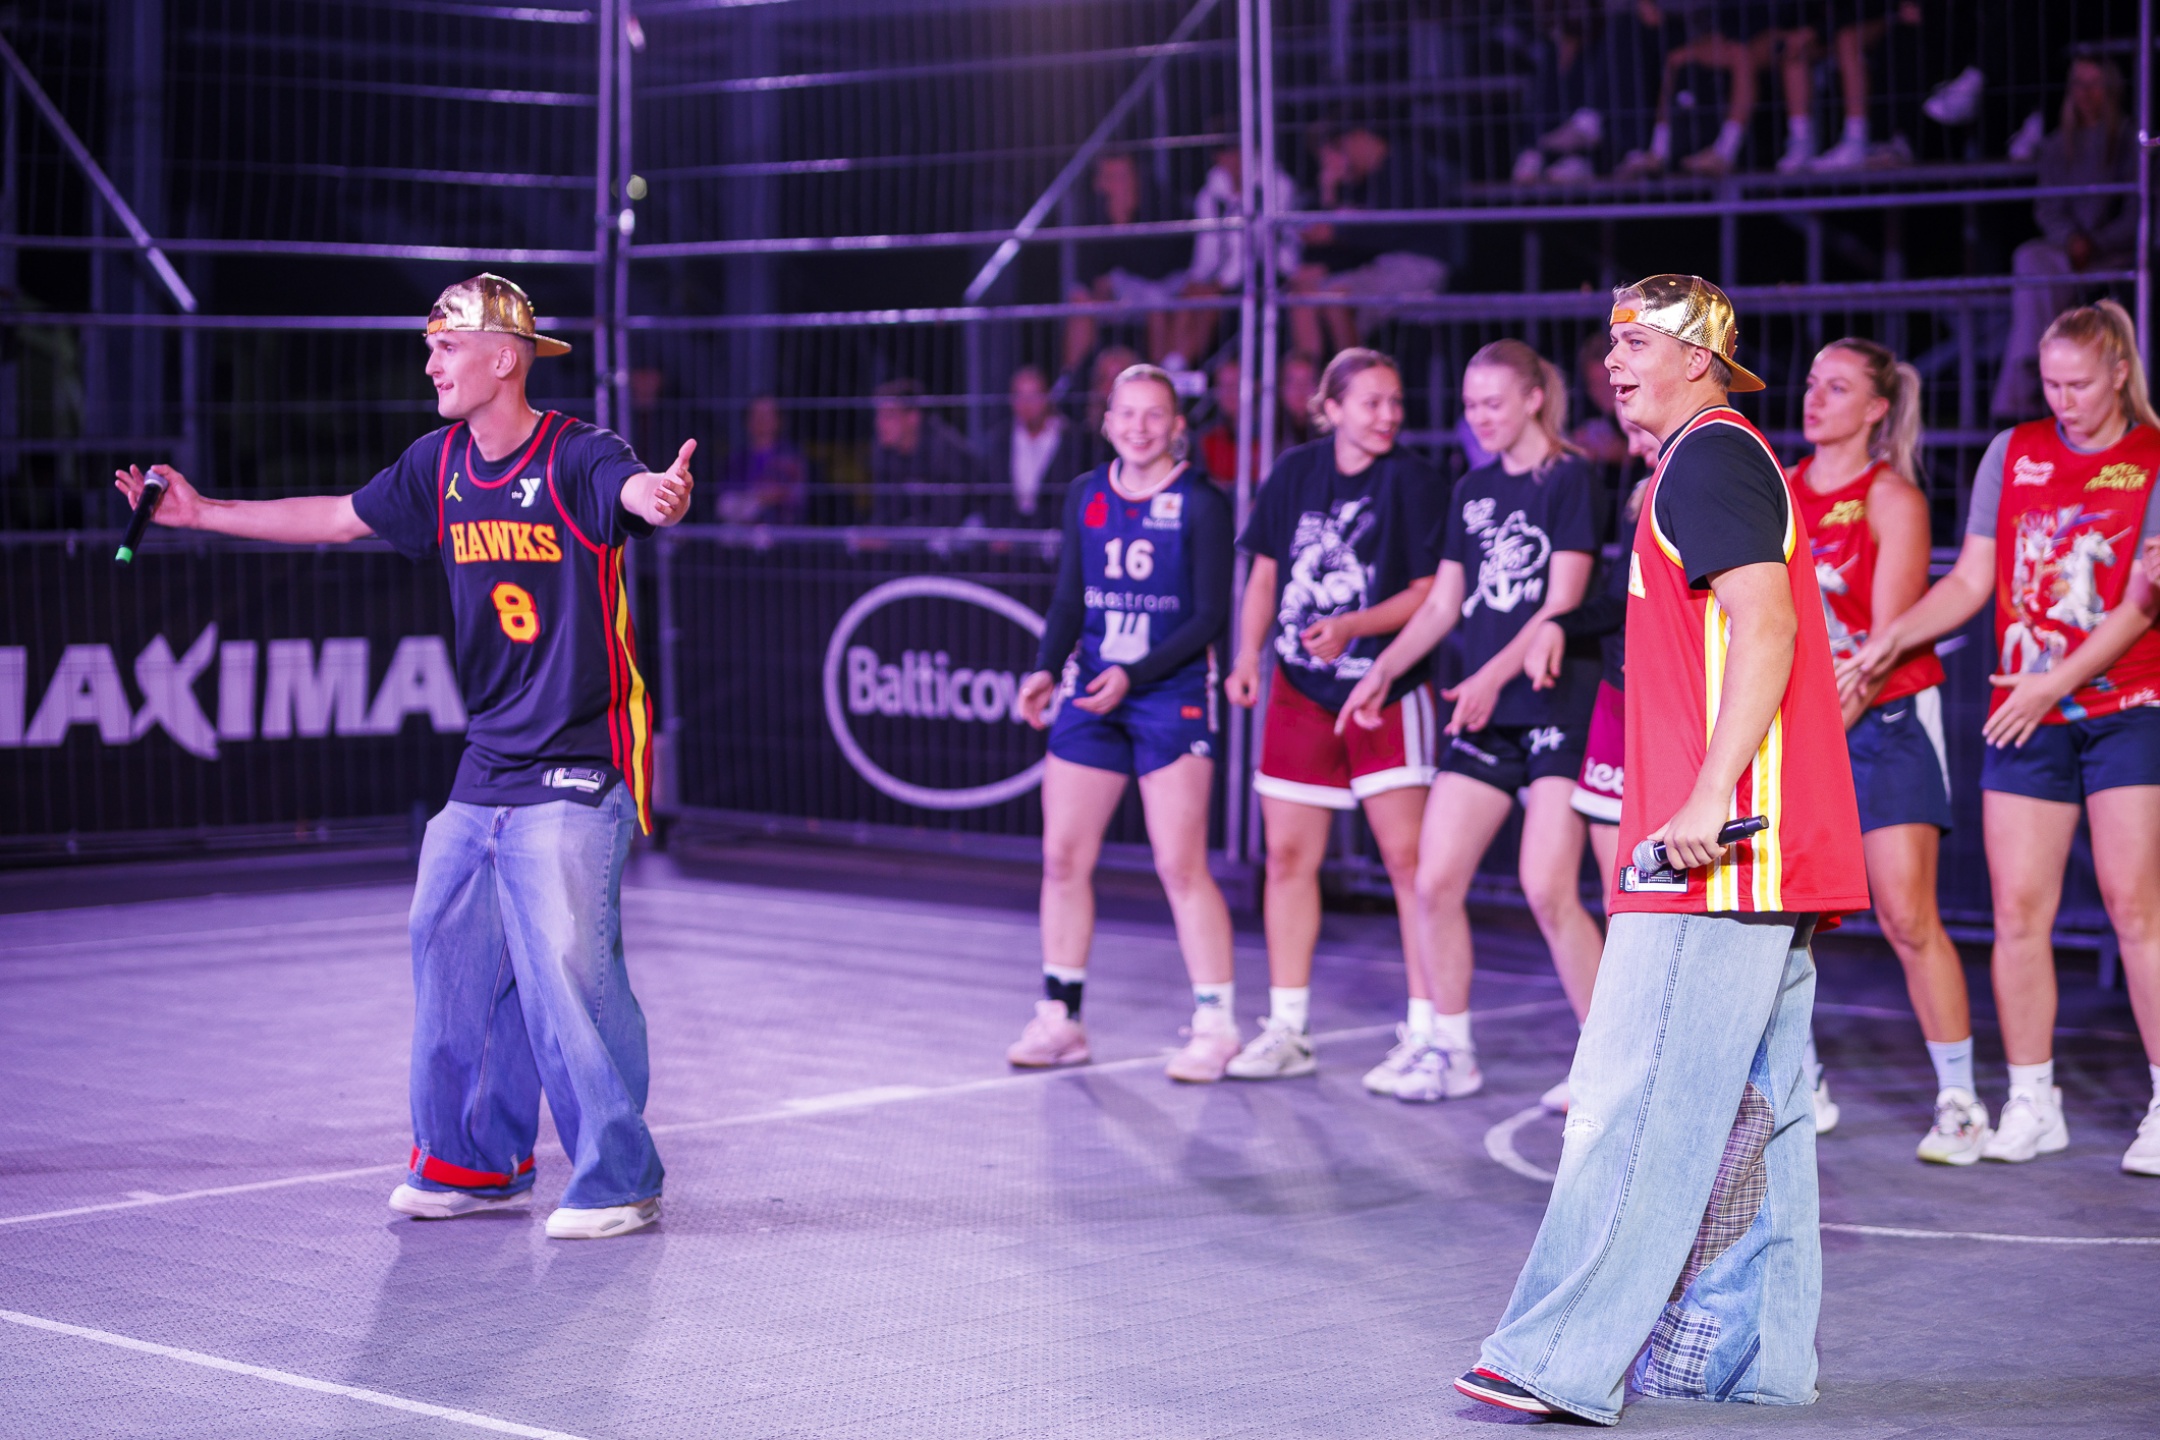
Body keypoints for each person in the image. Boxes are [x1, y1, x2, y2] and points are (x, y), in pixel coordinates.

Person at [113, 274, 694, 1240]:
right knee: (447, 940)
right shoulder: (440, 464)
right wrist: (204, 511)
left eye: (446, 347)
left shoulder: (577, 455)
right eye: (429, 348)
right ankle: (473, 1163)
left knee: (565, 966)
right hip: (488, 761)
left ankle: (619, 1177)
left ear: (503, 358)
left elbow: (632, 491)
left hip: (581, 758)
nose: (429, 363)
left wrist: (658, 496)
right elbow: (337, 516)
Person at [1458, 275, 1867, 1422]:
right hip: (1758, 848)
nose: (1614, 360)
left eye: (1638, 342)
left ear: (1699, 360)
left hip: (1720, 849)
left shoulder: (1710, 457)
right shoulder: (1707, 459)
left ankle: (1556, 1354)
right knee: (1758, 1118)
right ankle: (1745, 1357)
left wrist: (1706, 794)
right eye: (1611, 342)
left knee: (1629, 1099)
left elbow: (1770, 627)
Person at [1844, 299, 2160, 1178]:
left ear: (2119, 375)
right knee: (2019, 913)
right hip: (2023, 711)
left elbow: (2143, 601)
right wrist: (1891, 638)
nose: (2063, 400)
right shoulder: (2012, 453)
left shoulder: (2152, 456)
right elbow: (1973, 578)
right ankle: (2031, 1099)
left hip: (2128, 705)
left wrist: (2056, 682)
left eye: (2079, 384)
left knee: (2136, 910)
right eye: (2050, 384)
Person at [1337, 340, 1603, 1104]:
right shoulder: (1472, 488)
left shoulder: (1571, 477)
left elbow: (1562, 602)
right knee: (1434, 879)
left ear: (1532, 399)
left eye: (1493, 403)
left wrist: (1489, 676)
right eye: (1470, 405)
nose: (1479, 417)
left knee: (1547, 888)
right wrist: (1383, 669)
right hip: (1487, 709)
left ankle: (1605, 1062)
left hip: (1552, 704)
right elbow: (1442, 606)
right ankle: (1450, 1049)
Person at [1006, 365, 1241, 1081]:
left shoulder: (1201, 502)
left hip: (1168, 693)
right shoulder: (1085, 493)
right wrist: (1045, 667)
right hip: (1092, 690)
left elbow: (1210, 616)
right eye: (1127, 413)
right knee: (1062, 858)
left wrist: (1133, 677)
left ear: (1177, 426)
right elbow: (1068, 598)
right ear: (1106, 422)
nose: (1139, 427)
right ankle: (1061, 1019)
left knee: (1179, 864)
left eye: (1154, 414)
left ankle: (1216, 1026)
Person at [1223, 348, 1448, 1082]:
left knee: (1410, 864)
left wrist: (1353, 626)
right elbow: (1264, 574)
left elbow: (1428, 594)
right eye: (1371, 402)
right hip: (1300, 689)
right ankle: (1287, 1029)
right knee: (1288, 859)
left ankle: (1429, 1032)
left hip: (1387, 689)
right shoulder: (1296, 471)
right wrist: (1246, 655)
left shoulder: (1414, 480)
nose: (1388, 415)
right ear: (1331, 408)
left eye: (1395, 402)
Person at [1791, 338, 1981, 1160]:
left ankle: (1960, 1100)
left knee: (1907, 914)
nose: (1814, 398)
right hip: (1800, 727)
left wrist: (1814, 739)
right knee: (1780, 923)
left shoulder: (1891, 496)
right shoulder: (1779, 488)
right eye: (1811, 383)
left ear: (1875, 408)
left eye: (1837, 388)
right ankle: (1799, 1083)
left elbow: (1883, 644)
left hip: (1884, 718)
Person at [1991, 57, 2140, 421]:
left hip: (2118, 252)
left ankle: (2020, 395)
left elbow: (2138, 212)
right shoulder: (2058, 144)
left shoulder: (2131, 140)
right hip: (2068, 252)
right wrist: (2071, 239)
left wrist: (2096, 242)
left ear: (2112, 89)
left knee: (2039, 282)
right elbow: (2047, 207)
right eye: (2078, 83)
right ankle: (2029, 368)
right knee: (2030, 258)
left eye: (2094, 83)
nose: (2085, 93)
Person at [868, 378, 985, 526]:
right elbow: (885, 510)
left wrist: (900, 535)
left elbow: (949, 516)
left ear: (913, 417)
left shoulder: (945, 450)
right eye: (878, 415)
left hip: (960, 528)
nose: (879, 424)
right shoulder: (884, 452)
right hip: (913, 531)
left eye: (889, 416)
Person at [992, 365, 1075, 527]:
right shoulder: (999, 440)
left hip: (1055, 529)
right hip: (1011, 532)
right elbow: (992, 496)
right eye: (1019, 395)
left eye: (1034, 395)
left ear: (1047, 397)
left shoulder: (1071, 439)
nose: (1026, 404)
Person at [712, 394, 808, 525]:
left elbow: (795, 497)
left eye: (767, 415)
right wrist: (756, 497)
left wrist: (771, 496)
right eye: (756, 415)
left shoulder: (790, 457)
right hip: (739, 523)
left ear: (779, 420)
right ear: (747, 421)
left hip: (778, 525)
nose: (761, 420)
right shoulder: (736, 459)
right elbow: (724, 500)